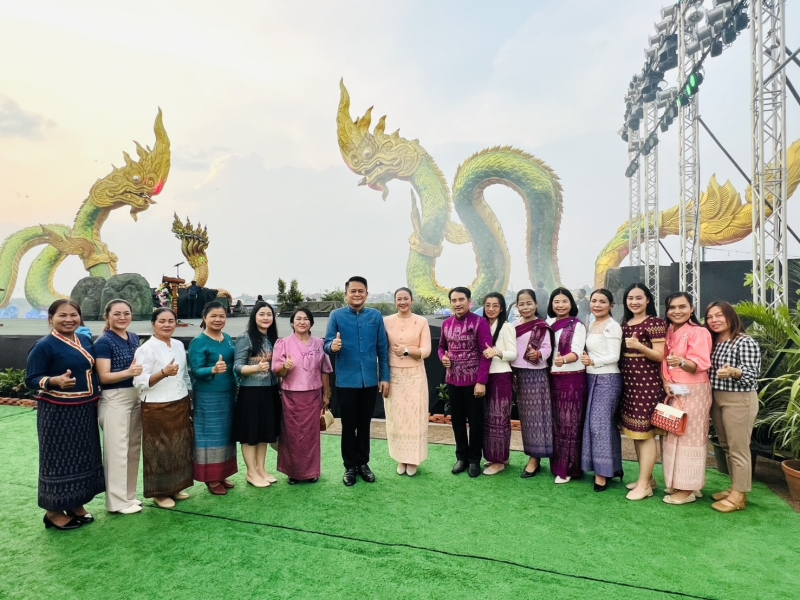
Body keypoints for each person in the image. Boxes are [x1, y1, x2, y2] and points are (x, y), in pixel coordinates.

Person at [26, 299, 105, 530]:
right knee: (58, 460)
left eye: (73, 315)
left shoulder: (84, 340)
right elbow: (31, 379)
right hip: (57, 412)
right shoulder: (44, 345)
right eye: (62, 315)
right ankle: (53, 512)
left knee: (83, 457)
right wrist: (54, 381)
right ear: (51, 319)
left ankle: (75, 504)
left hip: (84, 410)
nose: (69, 319)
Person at [324, 276, 390, 486]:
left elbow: (383, 349)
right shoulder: (336, 316)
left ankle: (363, 464)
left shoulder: (375, 316)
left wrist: (385, 377)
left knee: (364, 425)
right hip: (346, 381)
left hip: (369, 381)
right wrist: (333, 347)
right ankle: (350, 466)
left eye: (361, 291)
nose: (357, 294)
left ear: (367, 294)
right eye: (353, 291)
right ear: (346, 294)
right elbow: (326, 344)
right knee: (348, 425)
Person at [133, 308, 194, 509]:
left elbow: (184, 375)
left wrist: (189, 397)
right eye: (162, 321)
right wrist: (163, 373)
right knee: (159, 449)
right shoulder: (146, 349)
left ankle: (175, 487)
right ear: (153, 324)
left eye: (171, 321)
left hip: (180, 402)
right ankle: (159, 493)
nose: (167, 325)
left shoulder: (178, 345)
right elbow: (139, 381)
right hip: (156, 406)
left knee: (179, 446)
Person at [704, 301, 762, 513]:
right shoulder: (714, 341)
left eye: (719, 315)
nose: (714, 320)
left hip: (739, 399)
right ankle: (735, 488)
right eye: (710, 317)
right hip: (717, 397)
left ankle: (739, 497)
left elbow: (752, 375)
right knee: (727, 446)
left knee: (739, 447)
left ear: (730, 316)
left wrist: (733, 372)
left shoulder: (743, 341)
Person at [660, 292, 713, 505]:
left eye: (682, 307)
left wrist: (681, 362)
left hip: (695, 390)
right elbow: (664, 362)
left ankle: (688, 489)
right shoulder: (669, 331)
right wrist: (666, 383)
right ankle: (678, 482)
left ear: (692, 309)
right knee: (673, 434)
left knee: (690, 436)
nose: (677, 311)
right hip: (674, 390)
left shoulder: (699, 332)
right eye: (672, 307)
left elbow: (699, 365)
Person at [94, 299, 143, 514]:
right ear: (107, 316)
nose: (122, 317)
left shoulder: (133, 337)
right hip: (115, 398)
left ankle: (128, 496)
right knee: (117, 451)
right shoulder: (104, 342)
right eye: (117, 314)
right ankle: (116, 502)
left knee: (133, 447)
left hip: (135, 395)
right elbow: (104, 376)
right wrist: (128, 373)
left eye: (126, 313)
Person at [273, 308, 333, 484]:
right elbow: (277, 371)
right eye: (298, 319)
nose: (302, 322)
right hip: (291, 396)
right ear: (292, 323)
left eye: (306, 319)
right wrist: (285, 366)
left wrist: (326, 394)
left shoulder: (319, 343)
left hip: (314, 395)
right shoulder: (283, 343)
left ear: (311, 323)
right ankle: (293, 472)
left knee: (311, 436)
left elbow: (325, 370)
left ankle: (311, 472)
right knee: (292, 435)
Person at [438, 286, 492, 478]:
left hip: (473, 382)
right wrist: (443, 357)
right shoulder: (446, 324)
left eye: (461, 300)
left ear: (469, 302)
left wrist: (481, 381)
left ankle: (474, 460)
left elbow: (486, 354)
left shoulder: (480, 322)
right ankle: (461, 457)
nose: (457, 304)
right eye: (454, 300)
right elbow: (441, 347)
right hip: (453, 381)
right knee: (458, 422)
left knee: (476, 423)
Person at [619, 283, 666, 501]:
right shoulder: (625, 323)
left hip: (647, 385)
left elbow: (660, 355)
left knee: (646, 435)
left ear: (648, 300)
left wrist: (640, 347)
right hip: (629, 384)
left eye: (639, 298)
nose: (634, 302)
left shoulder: (654, 323)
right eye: (630, 298)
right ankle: (647, 478)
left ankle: (645, 484)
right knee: (636, 434)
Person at [188, 301, 238, 495]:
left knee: (226, 434)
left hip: (228, 393)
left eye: (222, 316)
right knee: (210, 436)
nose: (218, 319)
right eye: (213, 316)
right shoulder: (199, 341)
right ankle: (211, 478)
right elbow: (195, 371)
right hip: (208, 396)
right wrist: (213, 370)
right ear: (204, 318)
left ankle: (222, 473)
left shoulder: (227, 338)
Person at [383, 288, 432, 476]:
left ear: (412, 300)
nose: (402, 302)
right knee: (397, 417)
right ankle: (400, 458)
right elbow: (382, 348)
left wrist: (406, 350)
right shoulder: (386, 321)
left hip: (415, 375)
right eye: (399, 299)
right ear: (395, 301)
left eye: (406, 298)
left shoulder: (421, 321)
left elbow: (426, 350)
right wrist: (383, 377)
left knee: (414, 417)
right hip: (393, 375)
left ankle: (413, 460)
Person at [232, 301, 281, 488]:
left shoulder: (273, 339)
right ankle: (251, 472)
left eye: (269, 314)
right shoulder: (245, 338)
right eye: (262, 314)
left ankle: (261, 469)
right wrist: (256, 368)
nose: (266, 318)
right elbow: (237, 367)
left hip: (270, 390)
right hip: (251, 392)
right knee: (250, 433)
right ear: (254, 317)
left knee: (264, 432)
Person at [580, 289, 624, 492]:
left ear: (611, 305)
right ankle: (607, 468)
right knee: (593, 425)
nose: (597, 305)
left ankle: (602, 473)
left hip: (607, 379)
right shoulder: (591, 323)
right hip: (590, 378)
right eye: (594, 301)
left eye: (602, 301)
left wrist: (593, 361)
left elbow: (615, 356)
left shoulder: (612, 326)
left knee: (600, 426)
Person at [511, 289, 554, 478]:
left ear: (536, 305)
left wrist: (537, 354)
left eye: (529, 303)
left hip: (537, 375)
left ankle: (536, 458)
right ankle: (532, 455)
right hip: (518, 375)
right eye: (521, 304)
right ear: (516, 306)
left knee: (539, 418)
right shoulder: (512, 327)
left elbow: (547, 349)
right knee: (526, 419)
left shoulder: (542, 326)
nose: (525, 307)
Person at [546, 287, 588, 484]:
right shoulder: (548, 324)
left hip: (572, 379)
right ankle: (557, 465)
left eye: (564, 301)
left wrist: (563, 359)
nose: (560, 305)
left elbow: (577, 352)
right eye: (556, 302)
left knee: (570, 423)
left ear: (571, 304)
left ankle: (569, 468)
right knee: (557, 423)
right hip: (552, 378)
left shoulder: (577, 325)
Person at [481, 293, 518, 475]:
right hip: (484, 377)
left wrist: (496, 352)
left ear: (502, 308)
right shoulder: (482, 325)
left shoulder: (506, 326)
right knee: (488, 419)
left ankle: (499, 460)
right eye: (488, 305)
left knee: (499, 419)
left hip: (501, 376)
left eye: (495, 305)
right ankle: (496, 456)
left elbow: (513, 353)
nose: (491, 309)